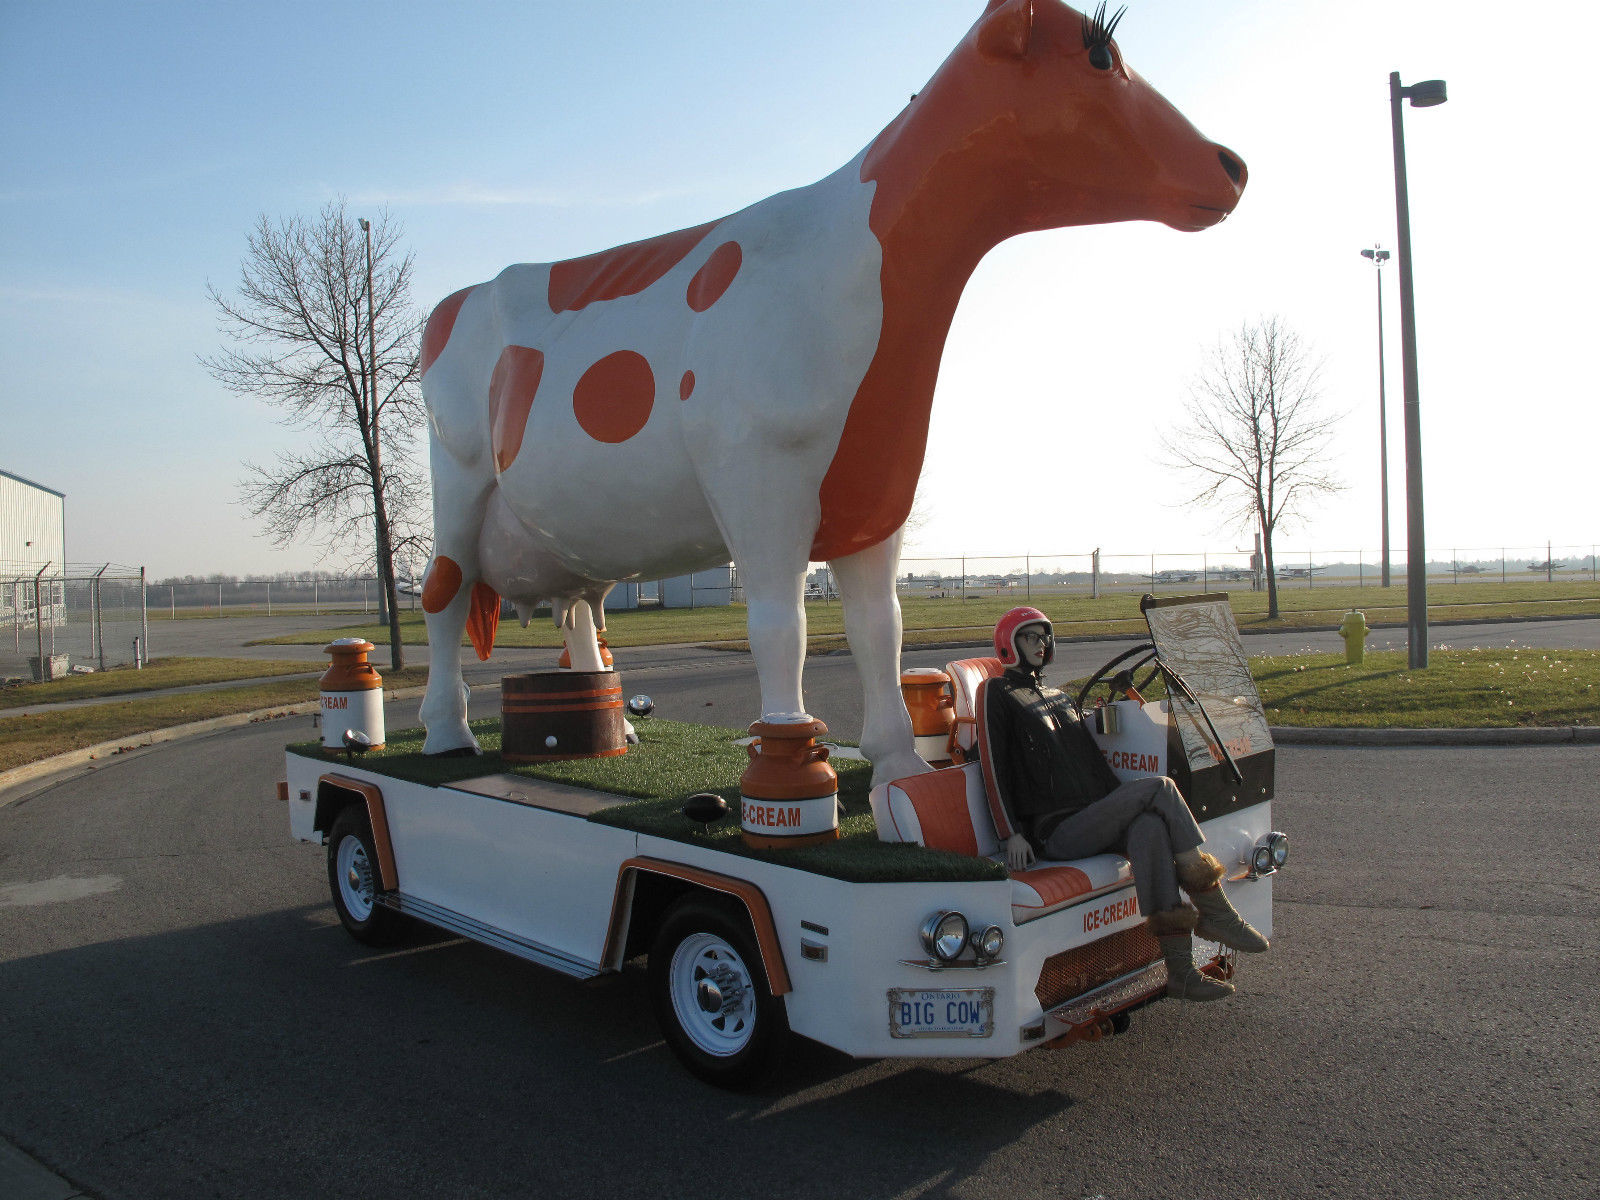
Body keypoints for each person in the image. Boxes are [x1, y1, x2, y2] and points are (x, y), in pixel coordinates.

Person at [978, 606, 1269, 1002]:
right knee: (1160, 789)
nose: (1041, 644)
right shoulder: (998, 692)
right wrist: (1010, 832)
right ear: (1009, 645)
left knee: (1149, 828)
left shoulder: (1057, 697)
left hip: (1092, 817)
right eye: (1030, 636)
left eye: (1045, 636)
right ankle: (1216, 911)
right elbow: (993, 763)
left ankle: (1180, 971)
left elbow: (1094, 767)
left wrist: (1126, 804)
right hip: (1056, 830)